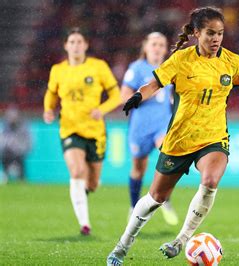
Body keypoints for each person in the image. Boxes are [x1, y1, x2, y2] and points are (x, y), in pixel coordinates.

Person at [107, 7, 239, 265]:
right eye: (210, 34)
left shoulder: (232, 61)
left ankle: (181, 240)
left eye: (220, 34)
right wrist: (138, 96)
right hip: (179, 140)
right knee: (155, 199)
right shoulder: (181, 60)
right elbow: (154, 84)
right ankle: (121, 246)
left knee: (210, 180)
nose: (216, 39)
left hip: (213, 138)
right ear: (196, 33)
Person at [43, 28, 121, 236]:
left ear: (86, 45)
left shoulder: (98, 67)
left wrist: (101, 109)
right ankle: (85, 224)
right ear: (66, 45)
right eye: (72, 42)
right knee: (77, 171)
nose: (76, 45)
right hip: (69, 129)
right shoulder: (58, 70)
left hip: (95, 132)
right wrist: (48, 110)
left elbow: (116, 95)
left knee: (93, 183)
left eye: (80, 42)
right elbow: (51, 96)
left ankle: (82, 193)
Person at [121, 32, 179, 225]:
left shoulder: (170, 68)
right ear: (145, 47)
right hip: (140, 127)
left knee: (168, 158)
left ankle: (164, 198)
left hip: (162, 125)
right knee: (138, 169)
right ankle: (133, 206)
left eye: (161, 44)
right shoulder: (136, 69)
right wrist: (150, 92)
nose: (157, 48)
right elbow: (124, 97)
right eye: (154, 44)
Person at [0, 106, 31, 183]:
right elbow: (2, 142)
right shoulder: (4, 128)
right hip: (7, 154)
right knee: (5, 157)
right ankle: (6, 176)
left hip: (19, 154)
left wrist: (19, 149)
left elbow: (28, 143)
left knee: (20, 165)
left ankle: (21, 179)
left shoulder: (23, 128)